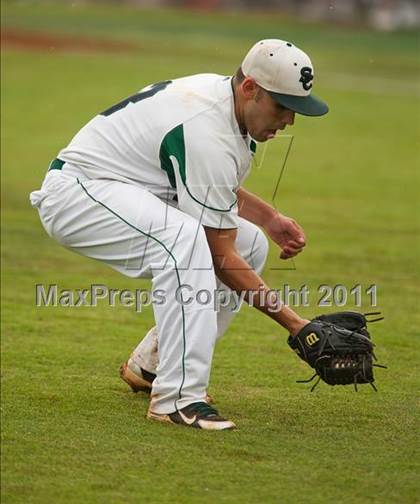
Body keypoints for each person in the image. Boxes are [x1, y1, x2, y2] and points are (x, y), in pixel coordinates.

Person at [30, 39, 328, 431]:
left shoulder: (222, 103)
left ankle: (152, 366)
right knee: (186, 240)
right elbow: (217, 250)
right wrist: (296, 325)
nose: (289, 120)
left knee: (250, 242)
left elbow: (207, 185)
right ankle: (178, 398)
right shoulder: (206, 126)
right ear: (250, 88)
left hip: (123, 189)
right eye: (283, 107)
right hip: (78, 193)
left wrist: (268, 218)